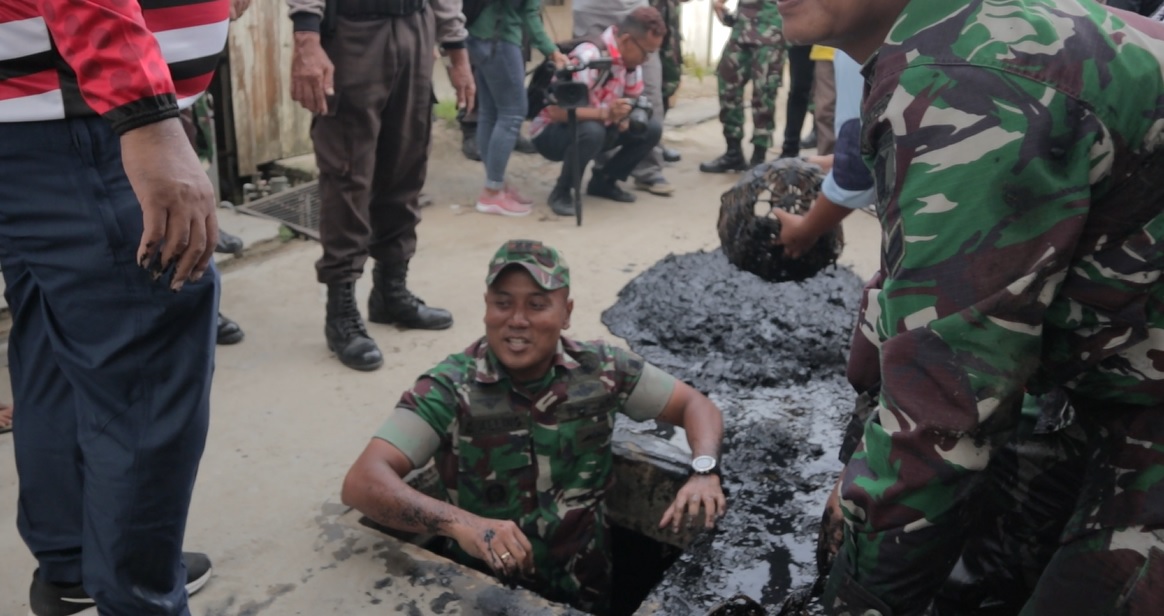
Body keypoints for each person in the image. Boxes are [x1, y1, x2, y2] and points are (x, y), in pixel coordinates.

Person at [778, 0, 1164, 613]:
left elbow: (942, 418)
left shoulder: (969, 78)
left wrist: (855, 598)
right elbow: (929, 285)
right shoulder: (949, 38)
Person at [341, 239, 727, 614]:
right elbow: (363, 481)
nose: (517, 320)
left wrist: (704, 470)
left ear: (567, 313)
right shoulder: (450, 387)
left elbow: (695, 405)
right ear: (487, 308)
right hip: (482, 592)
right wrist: (463, 524)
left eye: (537, 305)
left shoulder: (606, 369)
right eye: (503, 303)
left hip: (587, 584)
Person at [1, 0, 227, 612]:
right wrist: (147, 118)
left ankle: (71, 564)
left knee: (51, 347)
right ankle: (137, 598)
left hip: (38, 121)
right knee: (145, 392)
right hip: (81, 116)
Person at [287, 0, 475, 371]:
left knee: (406, 164)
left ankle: (391, 292)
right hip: (353, 31)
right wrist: (306, 37)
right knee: (347, 175)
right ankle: (341, 311)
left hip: (415, 27)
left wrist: (457, 49)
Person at [530, 7, 667, 216]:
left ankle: (604, 181)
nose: (647, 60)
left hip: (597, 127)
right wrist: (606, 115)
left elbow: (631, 99)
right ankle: (562, 191)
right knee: (593, 131)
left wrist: (626, 116)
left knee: (651, 128)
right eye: (646, 52)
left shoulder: (631, 63)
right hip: (551, 132)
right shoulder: (590, 55)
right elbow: (557, 111)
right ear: (627, 40)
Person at [467, 0, 568, 217]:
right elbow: (530, 14)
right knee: (512, 113)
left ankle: (496, 183)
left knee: (490, 112)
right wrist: (552, 51)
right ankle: (492, 192)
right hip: (500, 40)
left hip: (477, 37)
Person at [573, 0, 675, 196]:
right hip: (591, 9)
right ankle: (602, 173)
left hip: (633, 7)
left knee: (649, 98)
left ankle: (649, 169)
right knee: (591, 95)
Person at [699, 0, 786, 173]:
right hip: (741, 31)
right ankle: (733, 153)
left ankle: (758, 157)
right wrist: (719, 5)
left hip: (771, 34)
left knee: (764, 94)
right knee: (727, 87)